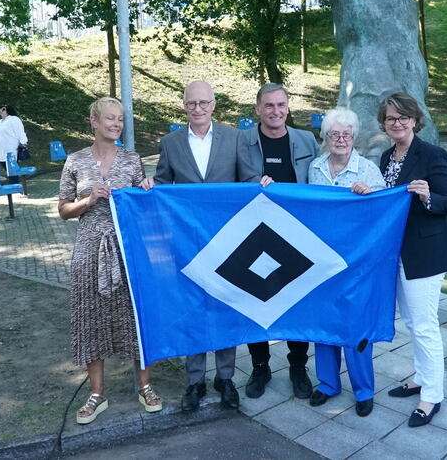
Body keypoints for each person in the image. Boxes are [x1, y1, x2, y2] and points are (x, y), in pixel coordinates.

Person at [139, 81, 259, 412]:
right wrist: (151, 183)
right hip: (187, 241)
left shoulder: (235, 138)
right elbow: (163, 181)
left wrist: (261, 182)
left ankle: (225, 378)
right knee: (192, 306)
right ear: (184, 106)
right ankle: (195, 381)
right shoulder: (171, 142)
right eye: (192, 103)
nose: (198, 108)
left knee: (225, 305)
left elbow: (249, 178)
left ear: (214, 105)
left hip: (228, 240)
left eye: (204, 103)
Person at [58, 97, 161, 424]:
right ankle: (96, 394)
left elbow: (142, 207)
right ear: (94, 122)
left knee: (135, 318)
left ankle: (145, 386)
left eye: (120, 120)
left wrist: (147, 189)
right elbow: (62, 210)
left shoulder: (132, 161)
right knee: (91, 322)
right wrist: (88, 201)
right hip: (89, 250)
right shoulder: (75, 161)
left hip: (126, 248)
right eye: (110, 119)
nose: (116, 124)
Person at [377, 93, 447, 428]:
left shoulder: (432, 154)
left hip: (425, 254)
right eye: (390, 118)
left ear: (415, 119)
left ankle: (432, 396)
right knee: (411, 323)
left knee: (424, 325)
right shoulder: (386, 157)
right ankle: (421, 378)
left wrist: (428, 196)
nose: (397, 124)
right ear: (384, 123)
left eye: (403, 118)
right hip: (395, 253)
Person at [239, 83, 319, 400]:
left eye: (281, 105)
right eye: (269, 106)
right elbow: (229, 182)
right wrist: (251, 185)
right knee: (253, 301)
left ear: (288, 107)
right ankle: (260, 366)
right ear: (257, 109)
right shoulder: (241, 141)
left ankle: (298, 366)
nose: (276, 111)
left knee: (297, 302)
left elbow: (321, 180)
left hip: (296, 237)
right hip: (252, 238)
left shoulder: (306, 139)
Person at [306, 107, 385, 418]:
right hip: (321, 260)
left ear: (354, 138)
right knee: (324, 322)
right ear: (325, 138)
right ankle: (328, 383)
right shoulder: (314, 168)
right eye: (334, 134)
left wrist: (370, 195)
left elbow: (383, 216)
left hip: (356, 265)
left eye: (346, 134)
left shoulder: (368, 171)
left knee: (356, 326)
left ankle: (364, 389)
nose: (340, 139)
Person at [0, 105, 28, 184]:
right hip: (1, 150)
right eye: (0, 110)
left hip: (10, 149)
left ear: (8, 110)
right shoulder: (1, 121)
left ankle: (14, 185)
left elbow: (20, 131)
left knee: (12, 167)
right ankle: (14, 184)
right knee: (7, 167)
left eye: (3, 110)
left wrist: (23, 142)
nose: (1, 111)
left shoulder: (14, 119)